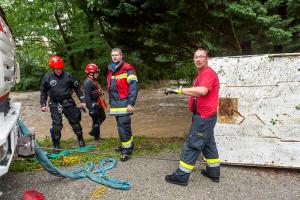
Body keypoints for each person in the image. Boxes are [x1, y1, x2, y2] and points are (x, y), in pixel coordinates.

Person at [164, 48, 220, 186]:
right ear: (193, 59)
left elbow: (202, 91)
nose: (199, 59)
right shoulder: (200, 74)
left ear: (207, 59)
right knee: (208, 144)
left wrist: (179, 90)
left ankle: (181, 176)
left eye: (201, 57)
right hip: (206, 117)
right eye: (196, 57)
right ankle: (213, 172)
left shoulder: (207, 73)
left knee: (192, 145)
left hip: (203, 117)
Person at [40, 55, 87, 153]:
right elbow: (43, 92)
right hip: (54, 103)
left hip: (68, 102)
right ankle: (56, 144)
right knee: (56, 125)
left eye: (60, 68)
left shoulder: (69, 76)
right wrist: (43, 104)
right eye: (56, 69)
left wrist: (83, 101)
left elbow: (77, 89)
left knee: (75, 122)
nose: (59, 70)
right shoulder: (47, 77)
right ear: (52, 68)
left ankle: (81, 139)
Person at [107, 48, 138, 162]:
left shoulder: (127, 69)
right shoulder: (111, 69)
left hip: (124, 102)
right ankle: (128, 144)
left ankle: (127, 150)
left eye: (116, 55)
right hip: (115, 103)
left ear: (121, 56)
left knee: (123, 126)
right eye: (112, 55)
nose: (114, 57)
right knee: (122, 126)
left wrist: (131, 103)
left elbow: (134, 87)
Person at [83, 63, 106, 141]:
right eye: (96, 72)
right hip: (93, 104)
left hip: (98, 103)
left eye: (97, 72)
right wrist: (90, 109)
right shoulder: (87, 82)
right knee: (96, 120)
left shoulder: (93, 81)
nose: (97, 74)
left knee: (102, 117)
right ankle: (95, 134)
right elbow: (87, 96)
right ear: (90, 73)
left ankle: (96, 135)